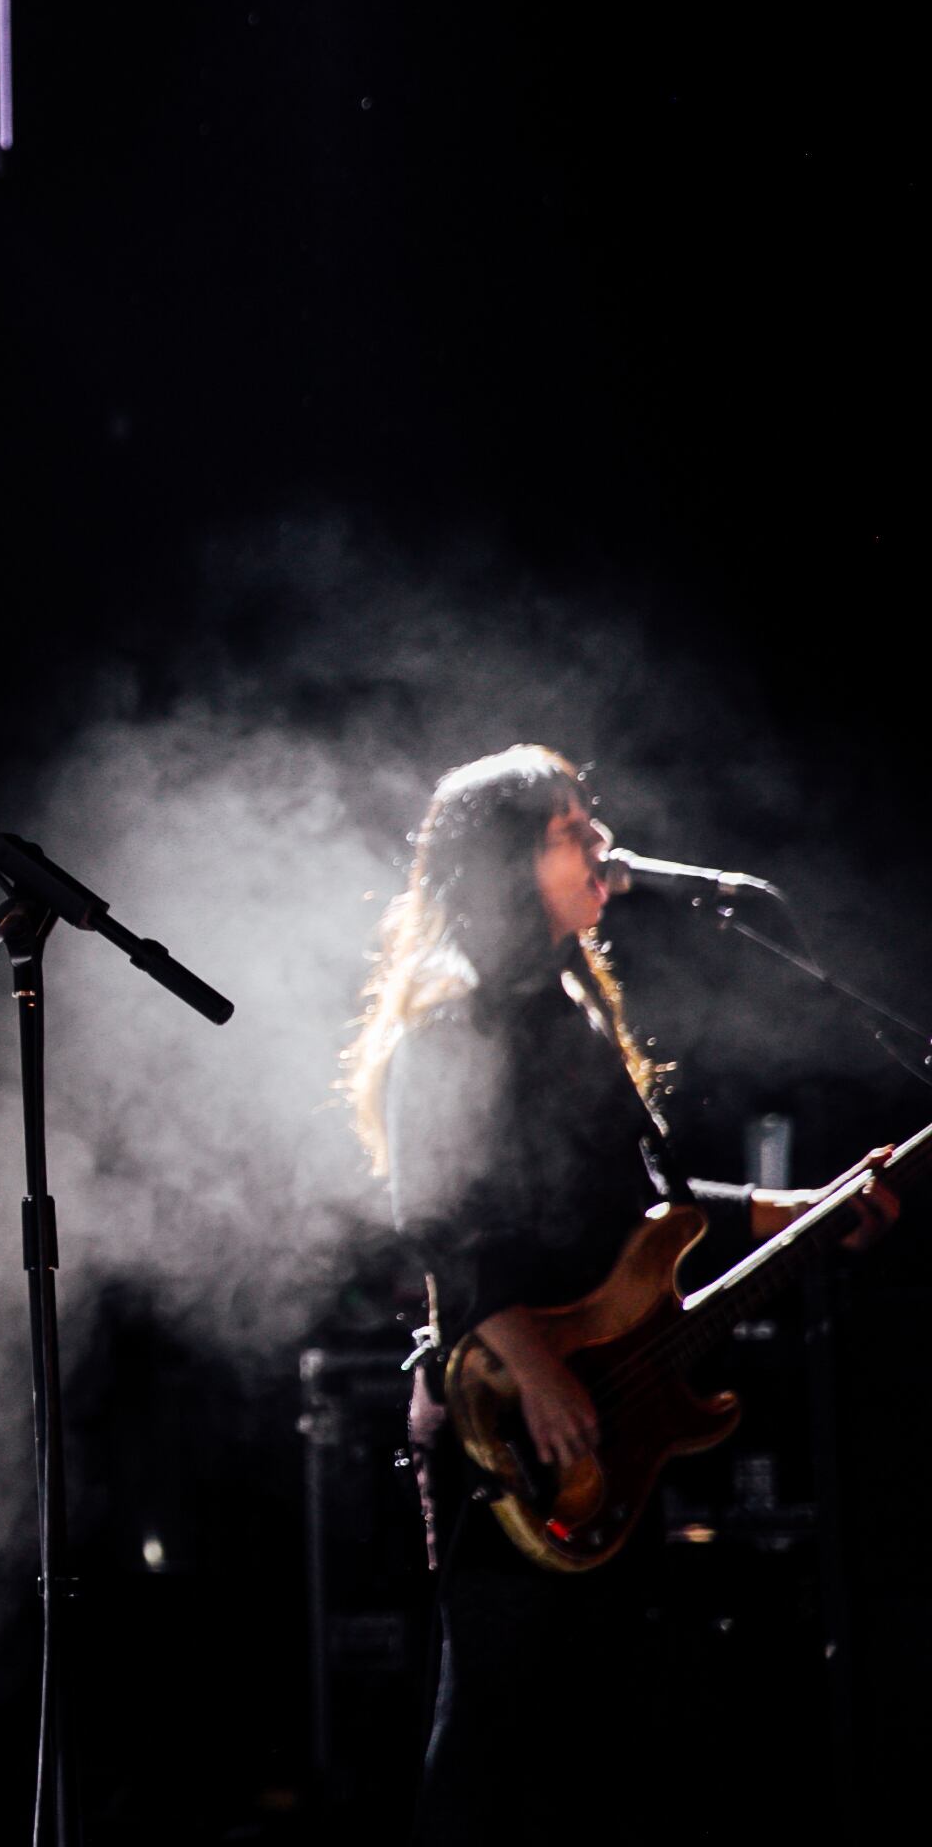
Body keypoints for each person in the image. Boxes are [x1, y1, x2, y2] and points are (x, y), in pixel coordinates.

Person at [343, 746, 897, 1843]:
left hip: (609, 1401)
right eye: (573, 832)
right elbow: (436, 1219)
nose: (604, 848)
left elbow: (632, 1209)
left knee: (595, 1729)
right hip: (513, 1407)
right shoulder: (452, 1015)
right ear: (511, 861)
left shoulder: (565, 998)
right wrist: (538, 1368)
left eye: (594, 828)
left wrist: (782, 1213)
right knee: (498, 1724)